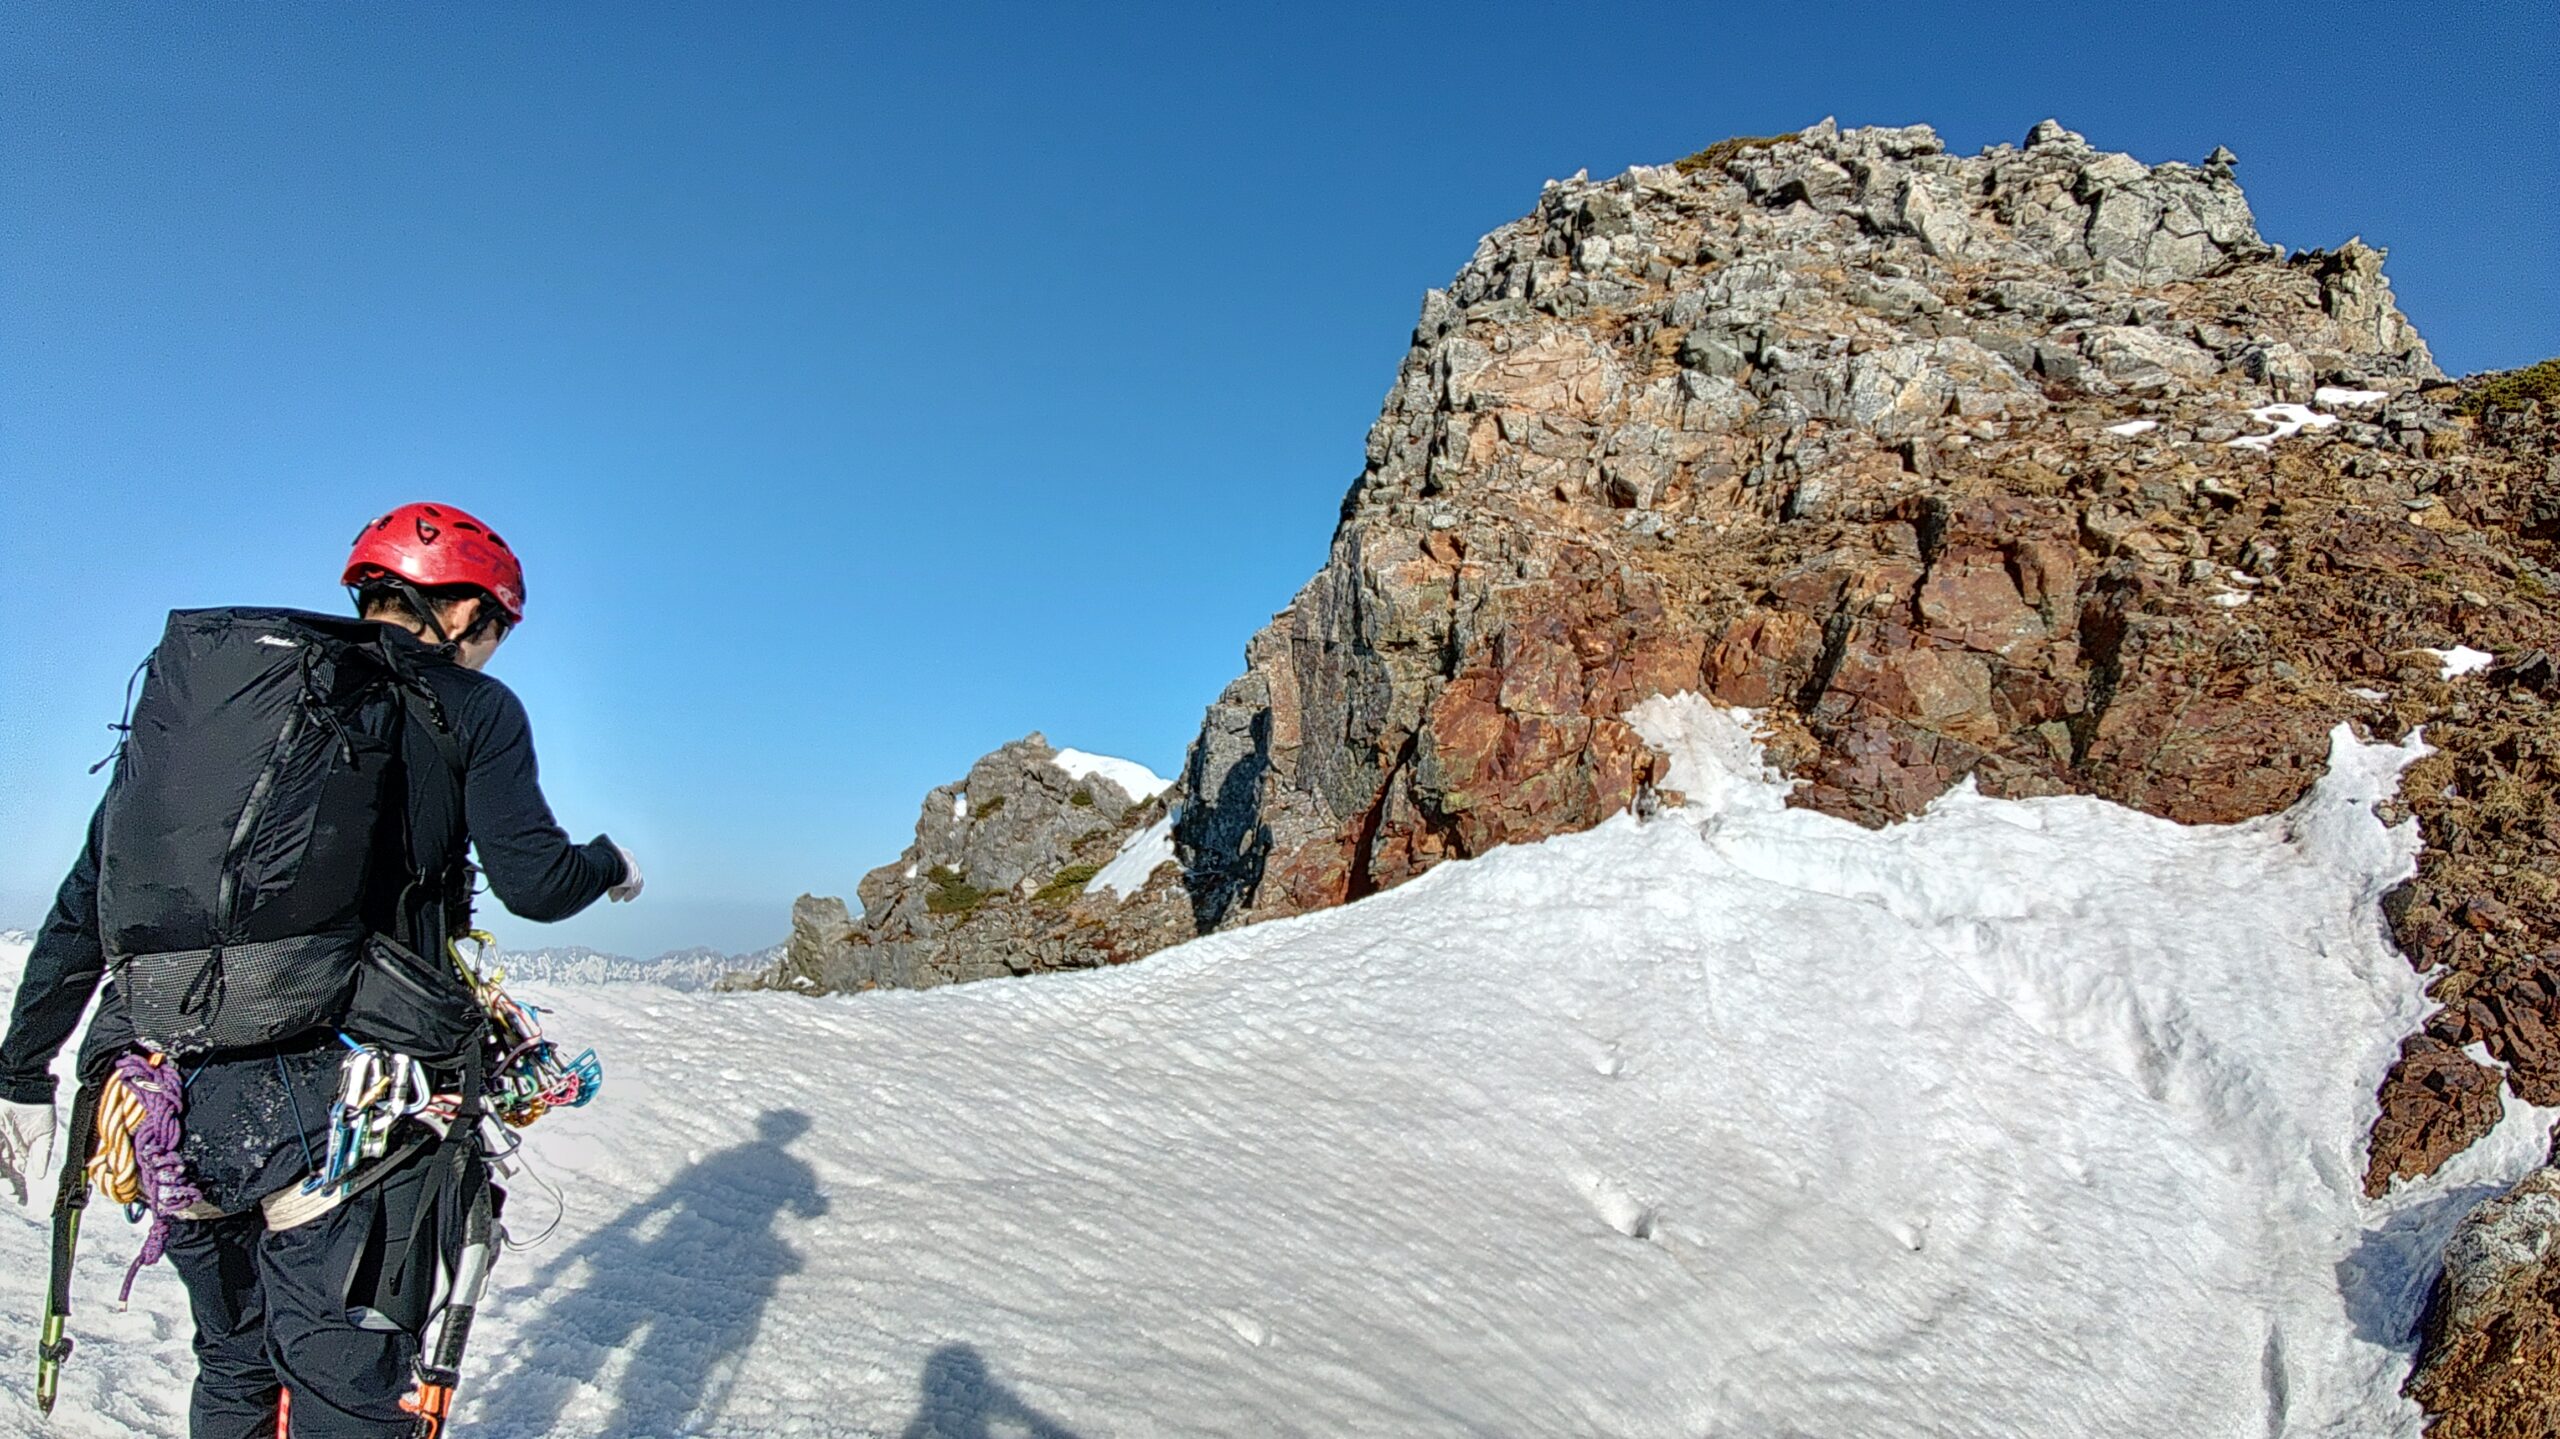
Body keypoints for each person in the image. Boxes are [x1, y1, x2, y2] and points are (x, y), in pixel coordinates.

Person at [0, 501, 642, 1438]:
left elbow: (86, 903)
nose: (491, 651)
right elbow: (537, 882)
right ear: (462, 610)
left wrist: (22, 1070)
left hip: (169, 1101)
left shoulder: (222, 721)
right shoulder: (470, 706)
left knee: (233, 1366)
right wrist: (609, 864)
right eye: (495, 629)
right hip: (346, 1105)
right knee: (347, 1392)